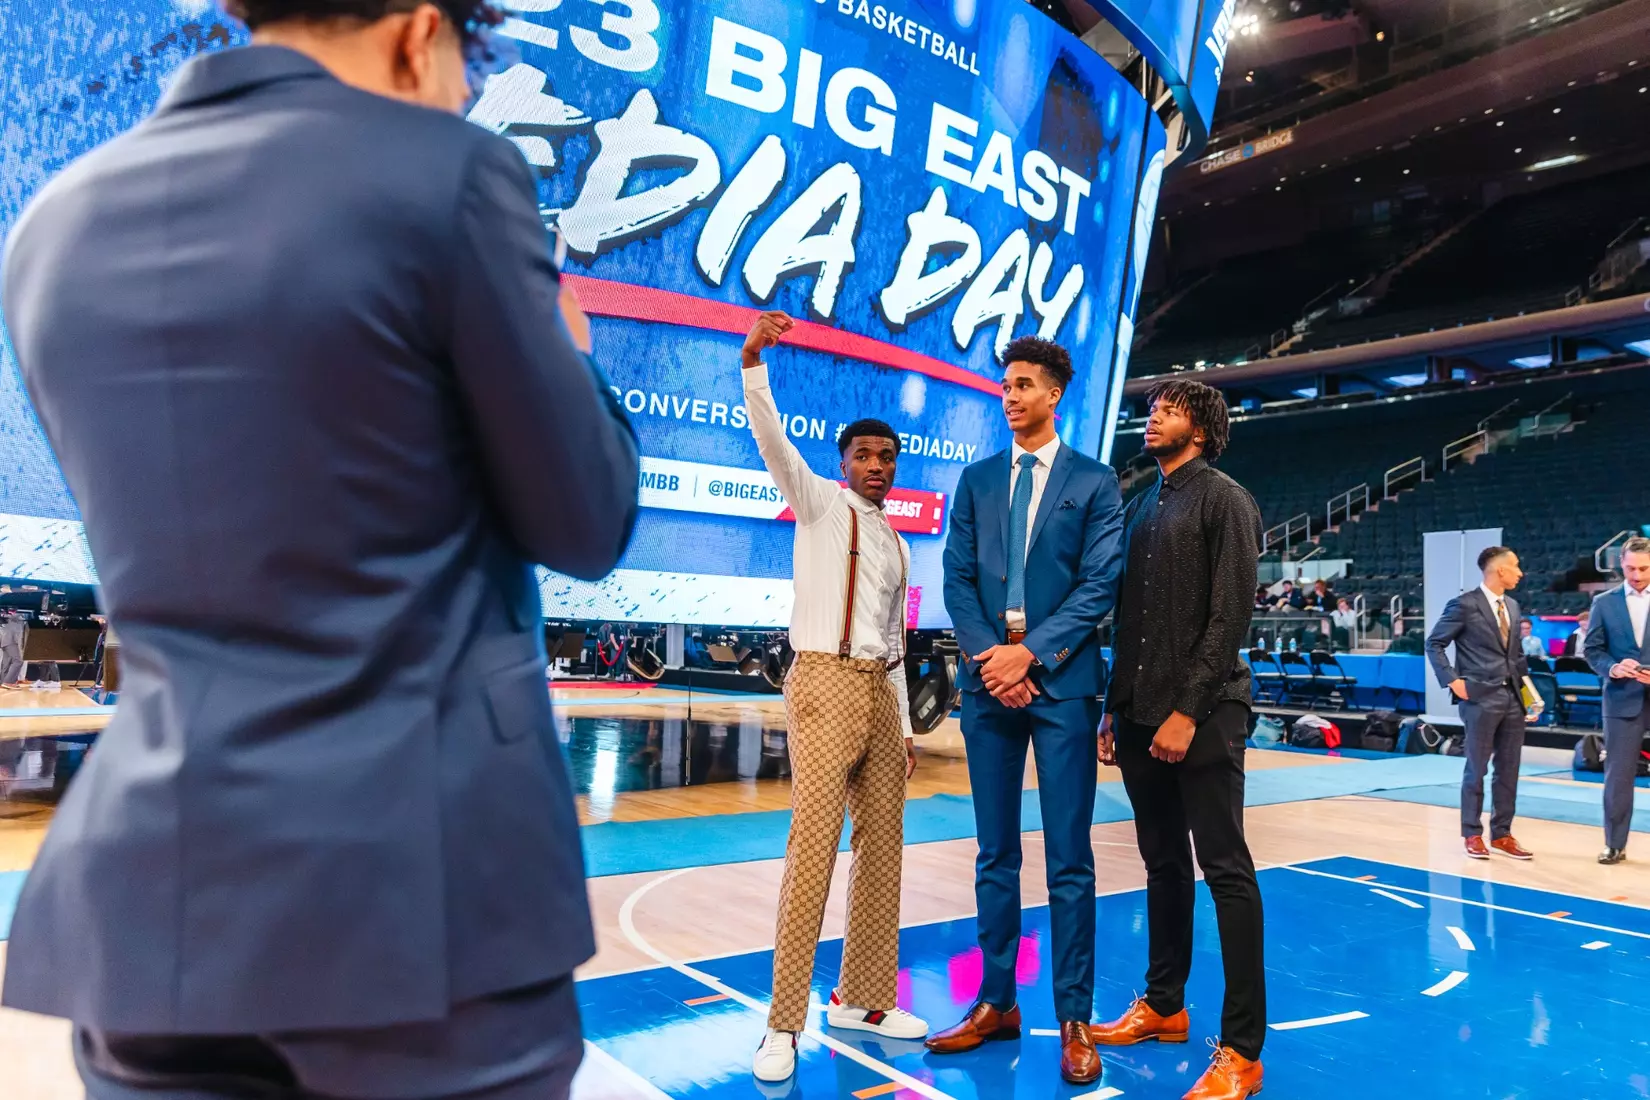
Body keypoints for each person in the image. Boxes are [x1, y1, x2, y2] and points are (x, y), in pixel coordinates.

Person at [0, 3, 640, 1097]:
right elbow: (587, 519)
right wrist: (575, 356)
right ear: (418, 33)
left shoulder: (50, 226)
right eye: (458, 73)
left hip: (149, 921)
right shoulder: (450, 177)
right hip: (419, 920)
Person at [932, 336, 1124, 1086]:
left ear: (1053, 396)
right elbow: (955, 582)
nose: (1008, 396)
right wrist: (993, 657)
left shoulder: (1096, 481)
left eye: (1022, 386)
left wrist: (1031, 655)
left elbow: (1100, 583)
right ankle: (996, 1001)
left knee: (1070, 857)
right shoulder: (976, 481)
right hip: (989, 684)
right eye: (1004, 385)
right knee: (994, 854)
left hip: (1061, 683)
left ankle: (1073, 1016)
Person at [740, 312, 927, 1084]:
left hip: (880, 696)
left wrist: (908, 725)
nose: (876, 466)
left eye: (886, 456)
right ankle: (782, 1022)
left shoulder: (900, 542)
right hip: (820, 682)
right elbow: (770, 439)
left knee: (882, 850)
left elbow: (895, 643)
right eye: (863, 455)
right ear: (843, 461)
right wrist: (754, 362)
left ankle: (864, 998)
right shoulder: (817, 501)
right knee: (812, 849)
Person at [1093, 379, 1267, 1100]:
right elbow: (1128, 622)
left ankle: (1243, 1052)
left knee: (1225, 869)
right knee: (1162, 863)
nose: (1153, 413)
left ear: (1201, 427)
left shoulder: (1225, 497)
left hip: (1204, 714)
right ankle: (1165, 1004)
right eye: (1153, 405)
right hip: (1138, 715)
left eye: (1169, 407)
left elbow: (1230, 619)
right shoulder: (1144, 503)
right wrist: (1113, 708)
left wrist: (1187, 712)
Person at [1424, 547, 1534, 862]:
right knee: (1477, 768)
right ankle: (1472, 833)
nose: (1520, 572)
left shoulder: (1512, 605)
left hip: (1512, 698)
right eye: (1515, 566)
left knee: (1509, 770)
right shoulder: (1465, 604)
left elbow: (1517, 657)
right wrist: (1452, 680)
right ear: (1499, 570)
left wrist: (1529, 697)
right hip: (1479, 698)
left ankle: (1502, 834)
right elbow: (1435, 643)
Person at [1583, 536, 1650, 865]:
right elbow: (1592, 650)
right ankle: (1614, 843)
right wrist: (1613, 667)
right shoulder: (1604, 602)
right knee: (1618, 776)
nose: (1636, 575)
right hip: (1622, 699)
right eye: (1630, 568)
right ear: (1620, 565)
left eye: (1643, 568)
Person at [0, 611, 25, 689]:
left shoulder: (10, 619)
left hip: (5, 642)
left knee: (6, 663)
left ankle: (4, 681)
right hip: (11, 642)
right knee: (19, 661)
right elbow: (18, 634)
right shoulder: (19, 619)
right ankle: (9, 682)